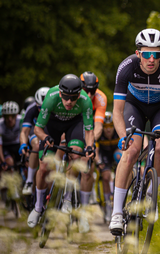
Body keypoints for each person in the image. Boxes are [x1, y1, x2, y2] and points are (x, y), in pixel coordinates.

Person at [109, 28, 160, 234]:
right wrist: (122, 139)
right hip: (133, 106)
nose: (151, 59)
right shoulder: (126, 67)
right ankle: (117, 213)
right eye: (146, 54)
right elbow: (117, 112)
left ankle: (151, 196)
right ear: (138, 54)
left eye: (156, 54)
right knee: (132, 151)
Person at [27, 74, 95, 233]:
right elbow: (37, 129)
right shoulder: (50, 97)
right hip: (52, 127)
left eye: (73, 98)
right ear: (60, 94)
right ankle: (38, 208)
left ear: (79, 95)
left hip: (74, 126)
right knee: (43, 167)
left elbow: (89, 130)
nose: (69, 102)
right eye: (65, 98)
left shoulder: (85, 101)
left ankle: (67, 199)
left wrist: (90, 147)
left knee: (77, 155)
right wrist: (45, 137)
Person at [79, 72, 107, 203]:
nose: (89, 95)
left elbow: (98, 126)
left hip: (91, 129)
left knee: (87, 166)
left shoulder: (101, 98)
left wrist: (90, 142)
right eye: (86, 91)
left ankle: (84, 209)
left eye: (92, 91)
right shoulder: (74, 95)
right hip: (77, 126)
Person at [19, 87, 50, 196]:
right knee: (37, 145)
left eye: (44, 108)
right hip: (35, 129)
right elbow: (24, 132)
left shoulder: (57, 108)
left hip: (49, 129)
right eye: (39, 108)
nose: (42, 111)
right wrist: (23, 144)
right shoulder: (31, 109)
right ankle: (29, 181)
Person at [95, 111, 121, 222]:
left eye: (111, 126)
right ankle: (107, 205)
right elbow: (95, 150)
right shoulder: (99, 134)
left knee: (119, 157)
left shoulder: (117, 133)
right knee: (105, 177)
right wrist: (98, 161)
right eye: (105, 127)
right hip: (103, 155)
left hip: (115, 153)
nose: (108, 129)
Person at [0, 101, 23, 202]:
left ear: (16, 115)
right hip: (5, 146)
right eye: (7, 116)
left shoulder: (20, 120)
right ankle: (13, 189)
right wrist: (3, 161)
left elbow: (25, 135)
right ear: (3, 117)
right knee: (9, 162)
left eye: (12, 116)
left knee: (26, 160)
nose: (10, 119)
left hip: (18, 144)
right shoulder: (0, 124)